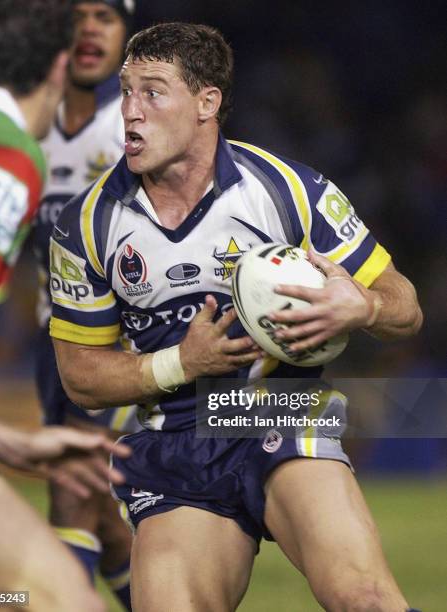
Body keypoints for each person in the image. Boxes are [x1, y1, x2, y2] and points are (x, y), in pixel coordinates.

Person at [49, 22, 424, 612]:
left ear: (207, 102)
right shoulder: (86, 224)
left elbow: (406, 307)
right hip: (172, 439)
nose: (129, 111)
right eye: (124, 92)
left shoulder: (288, 190)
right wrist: (182, 362)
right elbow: (81, 377)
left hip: (281, 412)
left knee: (367, 600)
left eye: (152, 91)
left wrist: (366, 305)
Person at [0, 1, 126, 609]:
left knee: (22, 591)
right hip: (70, 353)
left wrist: (4, 443)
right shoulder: (4, 158)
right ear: (59, 66)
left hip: (116, 349)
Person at [34, 0, 136, 604]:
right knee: (103, 519)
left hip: (122, 342)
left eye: (107, 15)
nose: (91, 27)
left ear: (127, 34)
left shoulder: (133, 127)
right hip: (56, 341)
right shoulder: (27, 128)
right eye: (78, 14)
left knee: (71, 488)